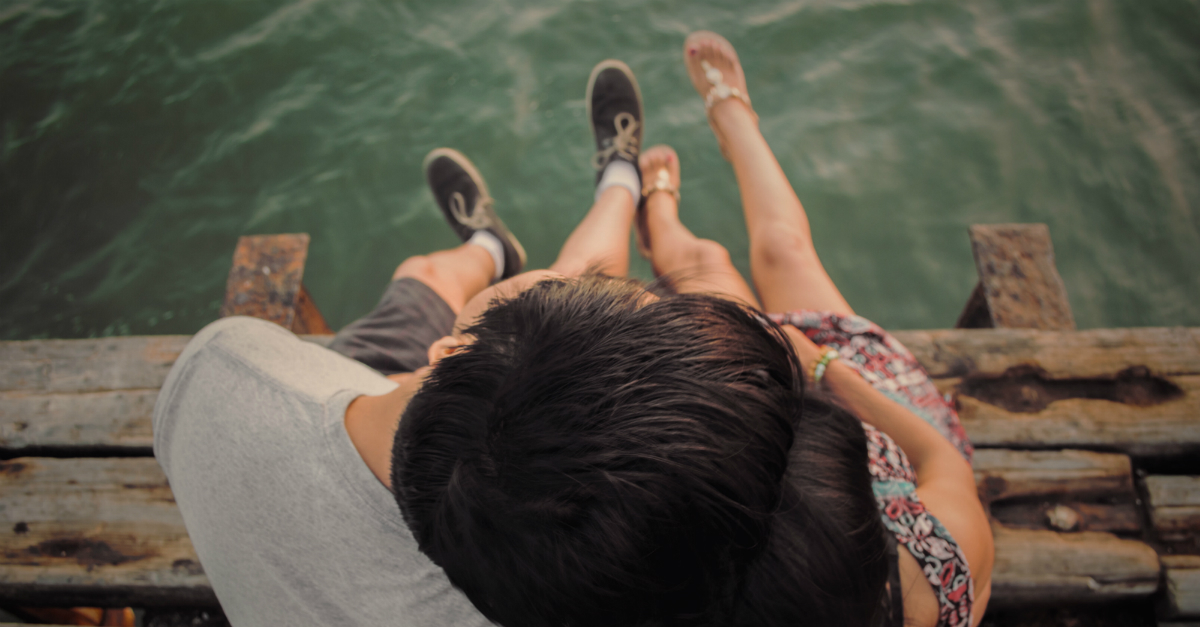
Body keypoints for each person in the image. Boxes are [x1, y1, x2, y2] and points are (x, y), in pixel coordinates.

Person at [153, 34, 992, 627]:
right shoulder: (619, 572)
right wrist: (831, 378)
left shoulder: (220, 367)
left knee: (696, 267)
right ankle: (629, 184)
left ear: (443, 351)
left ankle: (607, 194)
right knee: (725, 264)